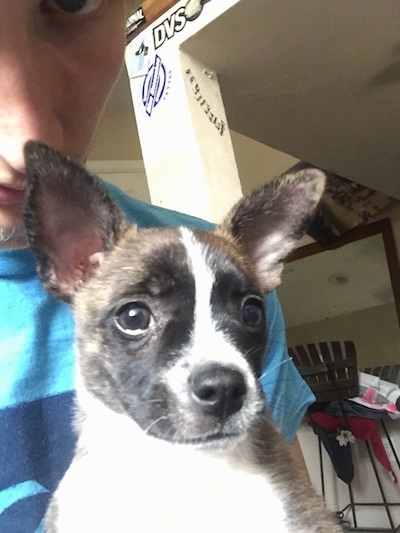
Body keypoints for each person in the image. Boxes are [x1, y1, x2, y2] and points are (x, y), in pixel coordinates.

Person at [0, 1, 315, 531]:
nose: (28, 130)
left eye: (73, 0)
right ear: (68, 259)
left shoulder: (229, 263)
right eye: (135, 317)